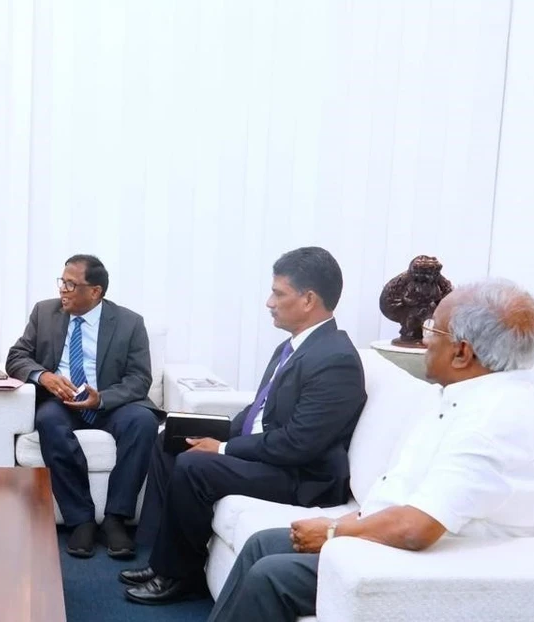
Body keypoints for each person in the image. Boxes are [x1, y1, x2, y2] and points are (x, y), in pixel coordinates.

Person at [207, 279, 534, 622]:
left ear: (462, 352)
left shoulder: (492, 421)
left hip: (444, 564)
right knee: (262, 544)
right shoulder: (463, 398)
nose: (424, 340)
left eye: (432, 330)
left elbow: (417, 528)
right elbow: (402, 497)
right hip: (400, 543)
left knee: (272, 575)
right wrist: (338, 522)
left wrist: (332, 533)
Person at [125, 246, 367, 604]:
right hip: (273, 458)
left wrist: (222, 448)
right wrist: (217, 432)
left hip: (303, 477)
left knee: (195, 465)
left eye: (278, 293)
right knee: (171, 440)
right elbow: (258, 411)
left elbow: (299, 444)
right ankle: (161, 559)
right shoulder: (295, 346)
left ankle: (181, 575)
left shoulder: (336, 360)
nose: (269, 302)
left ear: (308, 300)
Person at [6, 254, 161, 559]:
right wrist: (45, 376)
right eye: (62, 282)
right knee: (48, 420)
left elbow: (139, 379)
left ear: (95, 291)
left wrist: (101, 398)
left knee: (143, 423)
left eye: (71, 284)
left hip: (109, 403)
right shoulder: (45, 313)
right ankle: (81, 519)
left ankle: (116, 518)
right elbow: (16, 357)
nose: (62, 290)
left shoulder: (130, 323)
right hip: (61, 402)